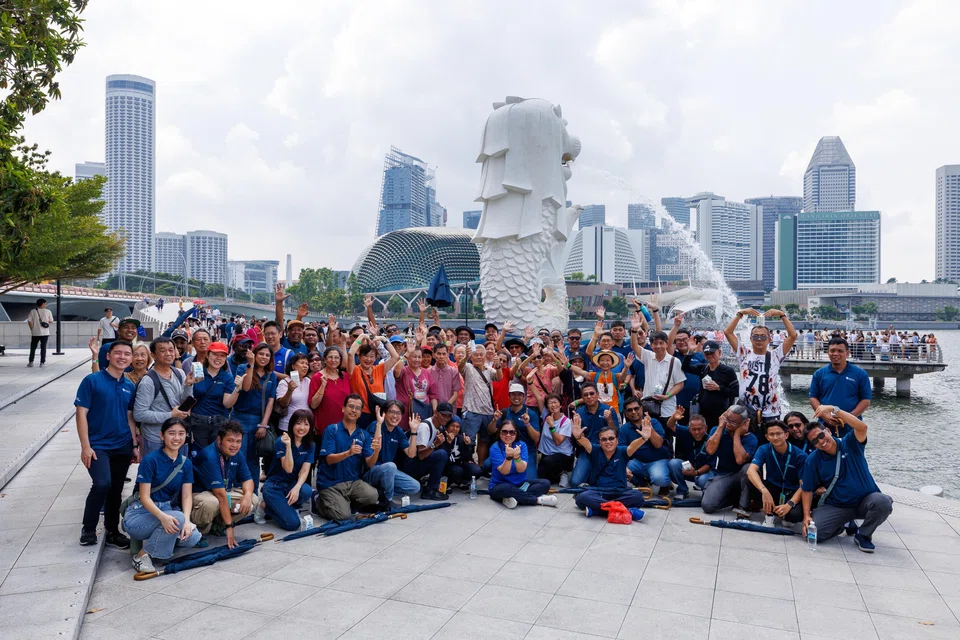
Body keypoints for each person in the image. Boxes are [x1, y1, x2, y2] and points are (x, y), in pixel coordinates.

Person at [801, 405, 893, 552]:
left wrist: (833, 409)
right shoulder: (813, 460)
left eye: (821, 435)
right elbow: (806, 489)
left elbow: (862, 427)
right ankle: (843, 524)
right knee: (814, 534)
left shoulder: (850, 443)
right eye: (814, 441)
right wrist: (806, 516)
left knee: (883, 502)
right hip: (838, 505)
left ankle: (863, 535)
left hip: (865, 500)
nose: (821, 441)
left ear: (828, 431)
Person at [74, 340, 139, 548]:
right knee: (102, 484)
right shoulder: (92, 381)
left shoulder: (129, 385)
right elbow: (81, 414)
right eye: (118, 353)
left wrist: (134, 445)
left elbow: (130, 417)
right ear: (108, 356)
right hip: (98, 445)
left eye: (126, 354)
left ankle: (112, 530)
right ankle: (89, 528)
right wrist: (85, 446)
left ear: (130, 359)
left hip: (122, 444)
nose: (122, 357)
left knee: (116, 489)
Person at [124, 418, 202, 572]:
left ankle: (159, 547)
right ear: (162, 436)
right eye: (171, 433)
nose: (176, 438)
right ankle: (141, 556)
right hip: (140, 514)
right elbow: (145, 497)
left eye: (181, 433)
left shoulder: (185, 463)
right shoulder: (150, 460)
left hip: (167, 511)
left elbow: (187, 496)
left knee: (193, 537)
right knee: (177, 519)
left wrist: (187, 521)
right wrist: (164, 517)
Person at [724, 308, 798, 429]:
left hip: (771, 411)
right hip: (746, 410)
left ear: (769, 339)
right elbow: (728, 332)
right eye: (756, 336)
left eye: (763, 337)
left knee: (771, 440)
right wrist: (740, 313)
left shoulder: (775, 355)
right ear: (750, 339)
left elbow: (793, 335)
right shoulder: (744, 354)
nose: (759, 339)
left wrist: (782, 315)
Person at [191, 421, 260, 548]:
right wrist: (230, 527)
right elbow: (221, 496)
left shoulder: (237, 454)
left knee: (253, 499)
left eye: (238, 441)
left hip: (222, 491)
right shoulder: (209, 455)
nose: (234, 445)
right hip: (200, 494)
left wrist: (248, 495)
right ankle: (197, 532)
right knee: (212, 503)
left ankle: (219, 525)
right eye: (230, 440)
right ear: (219, 440)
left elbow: (248, 480)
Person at [315, 395, 381, 520]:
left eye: (358, 408)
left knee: (373, 495)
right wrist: (348, 453)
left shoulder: (363, 435)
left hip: (352, 481)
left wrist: (376, 451)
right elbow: (328, 459)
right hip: (330, 483)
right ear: (343, 409)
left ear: (361, 413)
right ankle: (318, 501)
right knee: (343, 516)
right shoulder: (332, 430)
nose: (354, 410)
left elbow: (370, 463)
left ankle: (343, 502)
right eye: (351, 406)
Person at [255, 409, 315, 530]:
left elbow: (305, 470)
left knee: (306, 490)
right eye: (298, 423)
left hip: (290, 484)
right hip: (274, 486)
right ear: (292, 424)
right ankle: (264, 506)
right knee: (293, 524)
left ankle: (290, 508)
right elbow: (288, 469)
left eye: (306, 424)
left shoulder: (310, 445)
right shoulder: (281, 441)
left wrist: (297, 488)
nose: (302, 427)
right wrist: (288, 446)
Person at [133, 337, 194, 457]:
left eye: (171, 350)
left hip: (178, 438)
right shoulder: (148, 381)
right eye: (162, 350)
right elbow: (139, 414)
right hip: (156, 440)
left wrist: (188, 385)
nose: (168, 354)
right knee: (156, 475)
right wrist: (170, 415)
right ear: (153, 355)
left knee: (178, 474)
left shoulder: (179, 373)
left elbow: (184, 402)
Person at [572, 421, 647, 516]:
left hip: (619, 492)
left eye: (611, 438)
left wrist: (644, 438)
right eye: (604, 439)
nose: (608, 442)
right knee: (583, 497)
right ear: (599, 442)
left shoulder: (623, 451)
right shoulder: (595, 450)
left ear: (617, 440)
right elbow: (586, 443)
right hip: (599, 492)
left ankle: (598, 510)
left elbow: (633, 446)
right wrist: (578, 437)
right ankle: (622, 509)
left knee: (638, 497)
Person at [745, 420, 806, 523]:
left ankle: (781, 511)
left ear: (786, 435)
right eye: (771, 434)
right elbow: (751, 470)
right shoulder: (764, 449)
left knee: (794, 516)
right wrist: (763, 490)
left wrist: (789, 504)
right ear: (767, 437)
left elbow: (804, 485)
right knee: (748, 476)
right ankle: (760, 508)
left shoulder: (800, 455)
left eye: (778, 433)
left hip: (791, 492)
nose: (775, 437)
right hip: (771, 488)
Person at [235, 342, 277, 492]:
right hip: (239, 418)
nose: (264, 357)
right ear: (254, 354)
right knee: (237, 457)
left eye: (267, 355)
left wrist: (263, 424)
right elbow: (245, 388)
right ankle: (236, 492)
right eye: (261, 354)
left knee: (253, 460)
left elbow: (271, 402)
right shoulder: (243, 368)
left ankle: (251, 495)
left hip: (257, 421)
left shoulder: (271, 376)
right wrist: (251, 364)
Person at [700, 405, 758, 514]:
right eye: (727, 419)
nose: (729, 424)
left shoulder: (751, 438)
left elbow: (740, 460)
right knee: (707, 506)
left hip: (740, 473)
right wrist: (721, 426)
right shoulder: (717, 430)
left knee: (748, 468)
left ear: (744, 423)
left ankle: (743, 506)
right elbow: (710, 450)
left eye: (734, 422)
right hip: (723, 474)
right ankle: (734, 499)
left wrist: (737, 434)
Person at [487, 419, 557, 509]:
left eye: (512, 432)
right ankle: (537, 500)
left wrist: (516, 457)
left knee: (545, 483)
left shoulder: (522, 445)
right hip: (500, 485)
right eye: (504, 432)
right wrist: (508, 457)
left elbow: (521, 469)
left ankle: (515, 498)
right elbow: (504, 472)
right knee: (506, 488)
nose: (508, 435)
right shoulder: (495, 447)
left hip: (521, 484)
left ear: (516, 434)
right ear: (499, 433)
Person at [809, 337, 871, 437]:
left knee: (852, 451)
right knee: (825, 451)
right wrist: (824, 416)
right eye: (832, 351)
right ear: (827, 352)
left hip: (852, 426)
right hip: (825, 426)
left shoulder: (860, 374)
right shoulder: (819, 374)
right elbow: (813, 397)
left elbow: (865, 400)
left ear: (847, 353)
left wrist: (848, 417)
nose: (836, 354)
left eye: (840, 351)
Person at [629, 322, 686, 431]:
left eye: (661, 343)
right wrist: (634, 330)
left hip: (667, 407)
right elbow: (634, 346)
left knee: (668, 435)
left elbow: (680, 384)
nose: (658, 346)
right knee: (648, 435)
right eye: (655, 343)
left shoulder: (674, 361)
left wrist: (667, 395)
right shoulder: (648, 356)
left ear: (667, 344)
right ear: (651, 345)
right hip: (648, 405)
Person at [186, 341, 241, 449]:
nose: (218, 358)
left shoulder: (227, 376)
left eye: (222, 355)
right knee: (199, 457)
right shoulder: (197, 373)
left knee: (217, 456)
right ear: (208, 355)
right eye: (215, 354)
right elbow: (188, 400)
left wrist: (237, 389)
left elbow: (227, 404)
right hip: (197, 422)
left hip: (219, 422)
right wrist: (187, 427)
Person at [363, 403, 421, 503]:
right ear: (384, 413)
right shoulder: (376, 425)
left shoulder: (398, 431)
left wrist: (414, 431)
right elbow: (373, 452)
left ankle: (379, 492)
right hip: (371, 472)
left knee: (415, 487)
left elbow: (411, 454)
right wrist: (379, 424)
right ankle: (387, 501)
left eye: (398, 413)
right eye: (392, 412)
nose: (395, 416)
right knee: (391, 466)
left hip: (389, 471)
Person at [457, 345, 503, 465]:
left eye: (481, 354)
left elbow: (499, 377)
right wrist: (466, 356)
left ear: (485, 356)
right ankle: (467, 466)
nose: (478, 357)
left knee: (484, 441)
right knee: (468, 441)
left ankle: (481, 467)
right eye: (475, 354)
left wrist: (498, 366)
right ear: (471, 356)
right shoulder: (468, 367)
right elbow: (460, 367)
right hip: (471, 410)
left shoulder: (489, 369)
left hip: (487, 411)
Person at [347, 332, 401, 431]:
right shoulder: (355, 371)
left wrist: (384, 340)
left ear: (376, 358)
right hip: (361, 414)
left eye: (372, 356)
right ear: (359, 357)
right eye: (365, 356)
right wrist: (361, 337)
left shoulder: (379, 370)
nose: (368, 359)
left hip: (378, 413)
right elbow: (350, 353)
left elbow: (395, 357)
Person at [569, 382, 619, 486]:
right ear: (582, 397)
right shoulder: (579, 413)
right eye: (586, 395)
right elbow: (578, 443)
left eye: (592, 393)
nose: (589, 397)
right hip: (587, 451)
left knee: (609, 483)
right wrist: (578, 436)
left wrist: (609, 420)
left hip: (607, 451)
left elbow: (616, 434)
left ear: (597, 394)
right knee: (575, 482)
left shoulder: (608, 410)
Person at [680, 340, 738, 429]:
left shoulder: (728, 371)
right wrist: (690, 352)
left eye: (712, 353)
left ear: (719, 352)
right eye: (707, 354)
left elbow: (736, 392)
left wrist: (719, 388)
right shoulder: (703, 368)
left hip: (721, 413)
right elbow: (685, 367)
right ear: (704, 355)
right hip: (703, 412)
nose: (710, 355)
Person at [618, 396, 672, 490]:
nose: (634, 412)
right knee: (619, 469)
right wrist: (623, 467)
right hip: (637, 462)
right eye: (630, 410)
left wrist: (649, 427)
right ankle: (641, 482)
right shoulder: (624, 429)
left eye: (636, 408)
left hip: (657, 460)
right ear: (626, 414)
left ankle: (666, 483)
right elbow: (623, 452)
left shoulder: (654, 422)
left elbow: (658, 444)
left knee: (660, 479)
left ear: (642, 409)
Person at [407, 403, 456, 500]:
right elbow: (420, 455)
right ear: (436, 413)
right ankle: (430, 490)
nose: (446, 418)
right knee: (441, 454)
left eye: (449, 416)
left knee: (444, 454)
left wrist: (448, 443)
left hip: (418, 463)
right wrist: (435, 444)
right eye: (443, 415)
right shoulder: (425, 427)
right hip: (408, 465)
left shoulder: (440, 427)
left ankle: (435, 484)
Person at [492, 383, 541, 480]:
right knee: (486, 466)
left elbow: (536, 438)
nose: (516, 397)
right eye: (513, 394)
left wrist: (527, 424)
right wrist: (494, 420)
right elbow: (491, 431)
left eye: (519, 394)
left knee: (530, 480)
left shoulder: (532, 414)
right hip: (506, 449)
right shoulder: (504, 412)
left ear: (524, 397)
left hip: (526, 450)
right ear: (509, 396)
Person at [664, 407, 715, 497]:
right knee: (673, 463)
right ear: (689, 428)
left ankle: (706, 491)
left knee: (703, 480)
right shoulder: (685, 432)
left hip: (702, 472)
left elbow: (709, 464)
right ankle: (682, 490)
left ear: (706, 428)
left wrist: (696, 473)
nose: (696, 432)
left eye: (700, 429)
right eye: (693, 429)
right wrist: (674, 417)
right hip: (687, 468)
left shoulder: (710, 441)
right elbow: (670, 425)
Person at [309, 346, 353, 439]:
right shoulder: (317, 377)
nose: (333, 360)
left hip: (344, 424)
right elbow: (313, 405)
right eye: (330, 357)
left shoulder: (344, 376)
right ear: (324, 360)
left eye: (336, 357)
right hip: (325, 425)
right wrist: (323, 386)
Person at [534, 393, 574, 486]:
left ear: (560, 405)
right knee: (543, 479)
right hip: (547, 454)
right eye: (550, 403)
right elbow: (539, 398)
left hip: (563, 455)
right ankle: (556, 475)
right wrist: (530, 382)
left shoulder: (566, 421)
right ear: (547, 406)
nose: (553, 405)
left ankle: (563, 472)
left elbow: (558, 441)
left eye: (555, 402)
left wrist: (552, 426)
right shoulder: (546, 416)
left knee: (548, 461)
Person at [394, 346, 435, 428]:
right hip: (406, 412)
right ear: (408, 357)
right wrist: (407, 353)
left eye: (419, 357)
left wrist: (434, 412)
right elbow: (396, 370)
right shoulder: (404, 371)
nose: (417, 360)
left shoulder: (427, 373)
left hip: (423, 412)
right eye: (414, 356)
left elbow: (432, 394)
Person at [438, 416, 481, 489]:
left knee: (476, 470)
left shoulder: (460, 438)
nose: (455, 429)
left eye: (457, 427)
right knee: (457, 471)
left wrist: (467, 445)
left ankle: (462, 481)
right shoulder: (441, 437)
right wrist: (448, 442)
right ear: (447, 427)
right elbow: (442, 457)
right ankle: (444, 482)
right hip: (446, 467)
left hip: (458, 465)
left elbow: (468, 458)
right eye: (452, 426)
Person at [276, 354, 312, 433]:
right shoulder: (284, 382)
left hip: (306, 425)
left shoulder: (308, 381)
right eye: (302, 363)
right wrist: (289, 391)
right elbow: (283, 404)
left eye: (306, 364)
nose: (305, 366)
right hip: (288, 425)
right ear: (293, 366)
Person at [26, 298, 54, 368]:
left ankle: (31, 362)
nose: (46, 304)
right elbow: (51, 321)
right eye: (45, 303)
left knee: (33, 348)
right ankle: (42, 362)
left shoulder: (33, 311)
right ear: (43, 304)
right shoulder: (48, 311)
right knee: (43, 348)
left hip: (35, 333)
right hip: (45, 333)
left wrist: (32, 329)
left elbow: (29, 321)